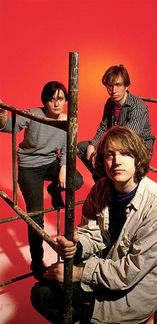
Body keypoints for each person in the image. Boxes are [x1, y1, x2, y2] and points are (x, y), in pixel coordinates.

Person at [31, 125, 157, 324]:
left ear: (137, 158)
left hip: (134, 291)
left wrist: (79, 273)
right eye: (110, 155)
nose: (117, 161)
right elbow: (92, 234)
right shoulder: (101, 188)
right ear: (102, 160)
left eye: (125, 154)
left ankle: (85, 316)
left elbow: (129, 273)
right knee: (42, 292)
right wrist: (76, 246)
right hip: (106, 264)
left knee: (61, 297)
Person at [0, 81, 84, 280]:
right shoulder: (33, 114)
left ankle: (54, 190)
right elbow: (9, 126)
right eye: (51, 99)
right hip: (29, 167)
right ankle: (36, 259)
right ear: (45, 101)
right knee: (35, 216)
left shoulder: (68, 119)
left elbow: (66, 147)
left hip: (50, 163)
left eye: (60, 99)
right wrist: (3, 115)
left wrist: (63, 168)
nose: (56, 104)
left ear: (66, 101)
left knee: (76, 180)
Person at [77, 64, 155, 179]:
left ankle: (107, 182)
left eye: (118, 85)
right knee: (83, 148)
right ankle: (105, 181)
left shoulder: (137, 107)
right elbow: (103, 127)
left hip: (136, 148)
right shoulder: (110, 103)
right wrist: (93, 145)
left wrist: (101, 151)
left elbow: (128, 137)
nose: (113, 90)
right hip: (115, 143)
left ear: (127, 86)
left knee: (102, 157)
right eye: (110, 86)